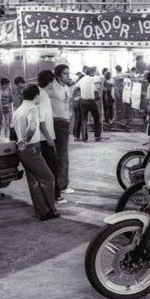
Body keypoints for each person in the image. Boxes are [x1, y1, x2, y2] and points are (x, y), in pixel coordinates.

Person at [11, 84, 60, 221]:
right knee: (48, 178)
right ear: (36, 95)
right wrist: (26, 140)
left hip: (22, 151)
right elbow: (32, 126)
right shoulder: (32, 108)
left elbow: (12, 129)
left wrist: (20, 141)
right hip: (32, 148)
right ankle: (50, 210)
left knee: (34, 181)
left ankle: (41, 211)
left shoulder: (18, 110)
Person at [46, 64, 75, 195]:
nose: (68, 76)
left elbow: (68, 105)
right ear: (58, 75)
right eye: (65, 74)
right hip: (56, 122)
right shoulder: (52, 87)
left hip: (65, 123)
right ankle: (62, 184)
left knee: (63, 155)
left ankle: (61, 183)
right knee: (62, 155)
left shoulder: (66, 87)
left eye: (68, 73)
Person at [37, 70, 65, 204]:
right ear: (49, 81)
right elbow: (41, 120)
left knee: (49, 168)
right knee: (52, 168)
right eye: (53, 81)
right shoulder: (42, 97)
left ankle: (51, 195)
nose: (54, 84)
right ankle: (55, 195)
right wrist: (48, 138)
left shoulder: (41, 94)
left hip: (44, 137)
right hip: (44, 138)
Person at [77, 66, 102, 142]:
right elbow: (100, 79)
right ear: (91, 72)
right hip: (91, 101)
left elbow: (77, 87)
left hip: (82, 101)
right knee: (96, 117)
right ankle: (97, 136)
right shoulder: (92, 78)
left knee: (84, 119)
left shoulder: (81, 79)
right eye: (93, 72)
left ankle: (85, 138)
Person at [71, 72, 84, 141]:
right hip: (79, 103)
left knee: (76, 119)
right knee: (79, 120)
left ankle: (75, 134)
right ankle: (76, 136)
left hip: (74, 103)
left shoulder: (75, 85)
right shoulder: (80, 86)